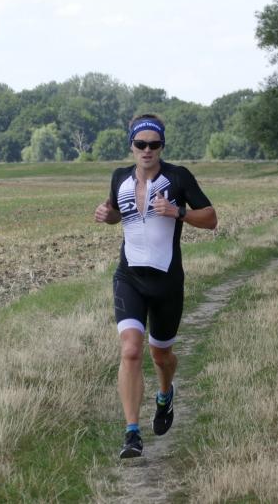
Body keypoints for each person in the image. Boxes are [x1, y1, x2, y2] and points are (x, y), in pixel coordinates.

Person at [94, 114, 218, 459]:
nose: (147, 150)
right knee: (131, 350)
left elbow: (211, 218)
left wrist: (178, 212)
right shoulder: (119, 177)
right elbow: (118, 213)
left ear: (162, 146)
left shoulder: (178, 177)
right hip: (129, 277)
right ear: (131, 146)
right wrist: (107, 215)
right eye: (141, 144)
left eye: (154, 144)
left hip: (167, 282)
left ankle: (165, 395)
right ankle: (132, 433)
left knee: (161, 356)